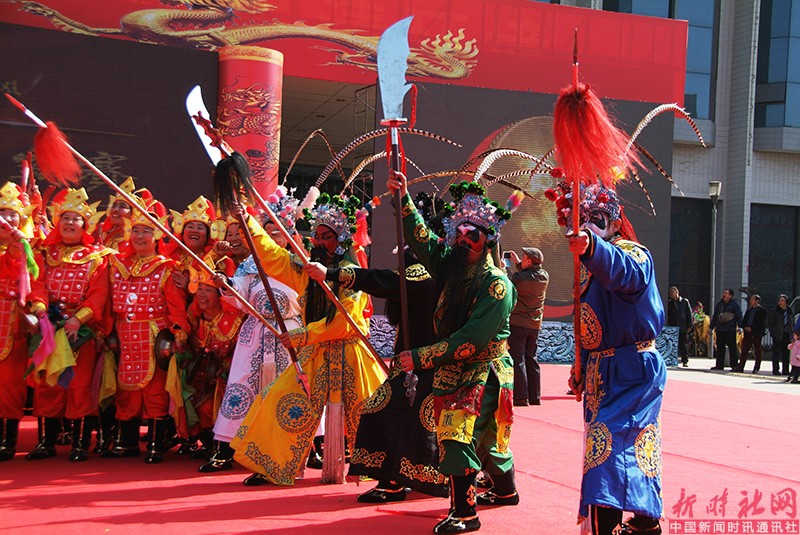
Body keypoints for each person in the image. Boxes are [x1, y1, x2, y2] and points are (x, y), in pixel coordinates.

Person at [389, 174, 519, 534]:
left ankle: (465, 512)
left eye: (471, 233)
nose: (463, 239)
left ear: (487, 239)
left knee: (457, 434)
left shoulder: (496, 284)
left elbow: (472, 339)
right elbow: (422, 240)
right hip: (452, 366)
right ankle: (506, 492)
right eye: (458, 232)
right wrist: (403, 200)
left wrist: (421, 357)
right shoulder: (451, 267)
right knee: (485, 440)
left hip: (483, 367)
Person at [231, 193, 385, 486]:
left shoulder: (354, 275)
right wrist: (247, 221)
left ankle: (379, 470)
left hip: (352, 353)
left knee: (372, 409)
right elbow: (273, 256)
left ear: (341, 241)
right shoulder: (306, 270)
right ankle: (273, 464)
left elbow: (346, 322)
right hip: (316, 353)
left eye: (327, 237)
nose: (318, 242)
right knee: (281, 399)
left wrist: (302, 335)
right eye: (316, 236)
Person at [304, 192, 448, 502]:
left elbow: (384, 281)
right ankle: (398, 478)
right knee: (390, 413)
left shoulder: (426, 271)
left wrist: (333, 274)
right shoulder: (426, 269)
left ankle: (417, 480)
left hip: (432, 362)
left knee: (395, 415)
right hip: (411, 361)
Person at [548, 179, 666, 535]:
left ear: (615, 222)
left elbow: (627, 274)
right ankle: (646, 522)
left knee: (608, 447)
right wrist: (581, 366)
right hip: (604, 368)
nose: (587, 225)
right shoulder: (590, 265)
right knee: (627, 443)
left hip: (632, 367)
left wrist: (592, 248)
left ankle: (608, 528)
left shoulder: (631, 253)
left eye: (595, 218)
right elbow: (589, 323)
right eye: (579, 219)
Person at [199, 207, 303, 474]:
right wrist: (227, 284)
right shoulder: (249, 265)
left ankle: (306, 448)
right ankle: (225, 450)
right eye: (266, 234)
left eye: (277, 234)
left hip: (290, 332)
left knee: (295, 387)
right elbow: (240, 291)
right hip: (256, 331)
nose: (271, 238)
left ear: (288, 236)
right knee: (241, 385)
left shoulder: (297, 262)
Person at [27, 188, 114, 462]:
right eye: (65, 218)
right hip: (50, 327)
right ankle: (46, 442)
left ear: (85, 225)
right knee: (48, 385)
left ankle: (80, 444)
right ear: (57, 221)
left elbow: (99, 295)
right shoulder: (44, 252)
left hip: (81, 330)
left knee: (79, 385)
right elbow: (37, 284)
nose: (69, 223)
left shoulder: (97, 257)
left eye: (76, 219)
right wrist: (41, 311)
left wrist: (79, 319)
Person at [103, 198, 190, 463]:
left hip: (154, 337)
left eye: (147, 231)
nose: (140, 236)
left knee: (155, 390)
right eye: (136, 230)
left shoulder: (166, 268)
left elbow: (175, 307)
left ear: (158, 236)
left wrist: (179, 333)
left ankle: (155, 443)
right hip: (124, 335)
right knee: (125, 389)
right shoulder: (117, 266)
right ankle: (126, 441)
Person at [0, 182, 47, 462]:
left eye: (12, 214)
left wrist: (38, 307)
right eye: (2, 213)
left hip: (12, 328)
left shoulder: (29, 251)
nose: (6, 219)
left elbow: (35, 283)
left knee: (9, 385)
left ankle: (7, 442)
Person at [183, 270, 244, 459]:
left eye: (208, 290)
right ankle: (208, 444)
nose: (201, 294)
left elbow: (241, 351)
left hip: (228, 378)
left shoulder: (235, 320)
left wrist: (225, 366)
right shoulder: (194, 318)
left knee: (212, 405)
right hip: (199, 379)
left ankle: (226, 447)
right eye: (199, 289)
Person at [506, 247, 549, 406]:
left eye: (524, 257)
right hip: (534, 325)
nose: (521, 258)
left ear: (529, 261)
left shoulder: (519, 277)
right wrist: (518, 264)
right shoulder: (544, 276)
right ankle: (534, 396)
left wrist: (505, 268)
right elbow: (527, 275)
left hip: (518, 323)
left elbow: (509, 283)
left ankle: (520, 397)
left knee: (518, 359)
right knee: (532, 358)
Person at [709, 289, 743, 371]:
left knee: (732, 348)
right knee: (720, 348)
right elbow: (715, 316)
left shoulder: (734, 305)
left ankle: (734, 365)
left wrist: (740, 326)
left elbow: (739, 315)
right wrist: (711, 327)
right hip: (720, 329)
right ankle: (719, 365)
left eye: (726, 293)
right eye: (723, 293)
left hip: (730, 329)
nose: (723, 294)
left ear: (730, 295)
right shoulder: (719, 304)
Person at [736, 294, 767, 373]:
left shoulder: (761, 311)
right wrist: (745, 327)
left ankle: (756, 367)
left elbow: (760, 323)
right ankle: (740, 367)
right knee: (744, 350)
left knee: (757, 351)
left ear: (757, 301)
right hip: (747, 333)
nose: (750, 301)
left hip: (756, 333)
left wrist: (752, 328)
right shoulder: (749, 310)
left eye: (752, 300)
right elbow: (744, 320)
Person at [767, 294, 794, 376]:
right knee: (776, 353)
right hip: (778, 334)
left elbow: (792, 323)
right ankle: (775, 369)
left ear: (786, 302)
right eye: (779, 301)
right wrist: (773, 333)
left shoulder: (789, 311)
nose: (780, 302)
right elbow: (770, 323)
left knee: (786, 353)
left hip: (787, 334)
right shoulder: (775, 311)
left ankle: (785, 369)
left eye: (782, 301)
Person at [667, 286, 693, 367]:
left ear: (677, 292)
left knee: (683, 344)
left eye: (672, 292)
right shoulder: (669, 303)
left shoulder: (684, 301)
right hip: (673, 326)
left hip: (682, 326)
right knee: (672, 344)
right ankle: (672, 360)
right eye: (670, 293)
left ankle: (685, 360)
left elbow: (689, 314)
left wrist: (689, 325)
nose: (671, 294)